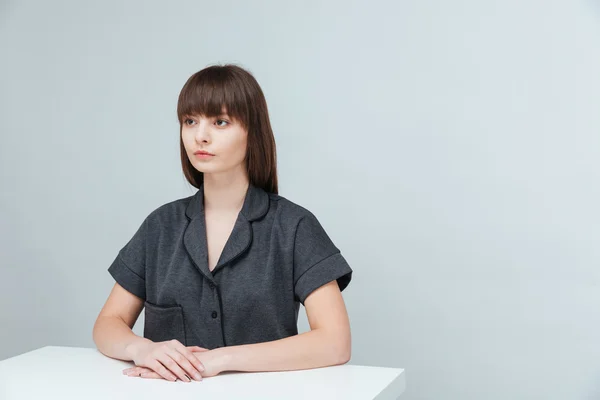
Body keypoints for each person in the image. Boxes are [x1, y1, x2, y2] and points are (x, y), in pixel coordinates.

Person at [92, 64, 353, 383]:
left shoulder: (294, 226)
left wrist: (221, 359)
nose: (200, 135)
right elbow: (108, 322)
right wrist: (141, 348)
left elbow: (335, 343)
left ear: (252, 132)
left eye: (220, 121)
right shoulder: (160, 226)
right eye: (190, 121)